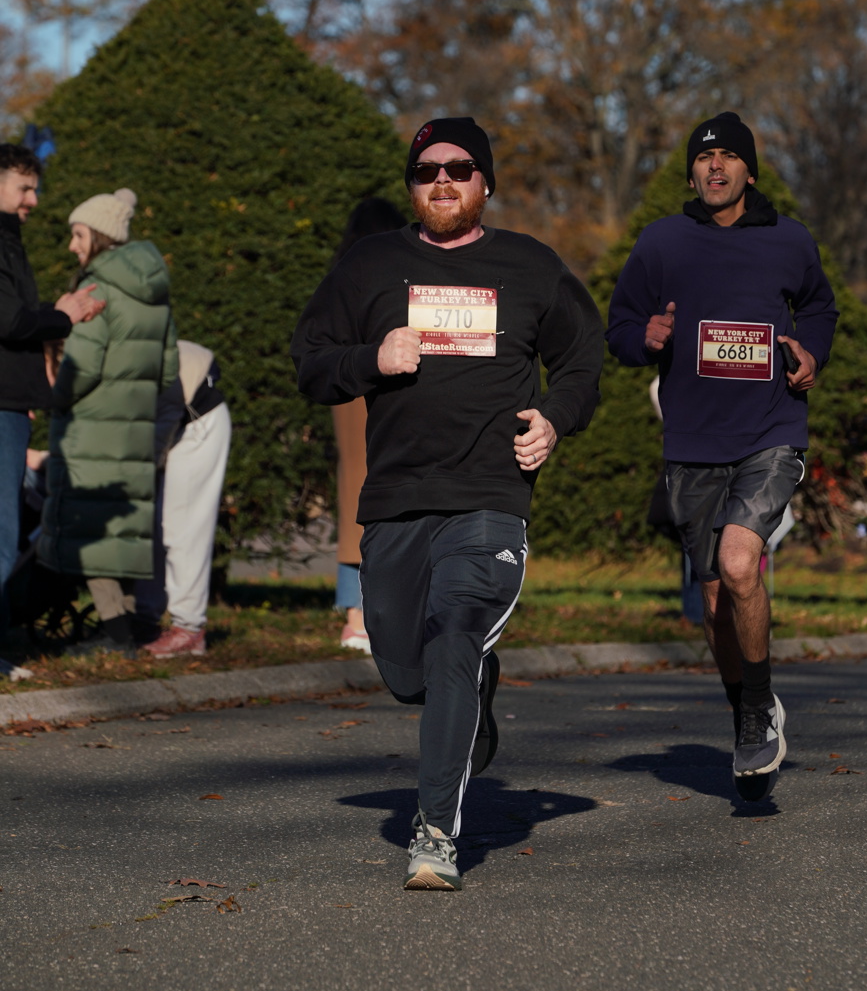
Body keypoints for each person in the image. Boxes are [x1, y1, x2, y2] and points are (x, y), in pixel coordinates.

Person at [292, 117, 604, 890]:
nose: (442, 179)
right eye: (427, 168)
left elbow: (582, 357)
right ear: (412, 184)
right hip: (398, 500)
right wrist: (372, 356)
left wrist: (554, 417)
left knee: (456, 627)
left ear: (484, 182)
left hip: (490, 498)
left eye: (460, 168)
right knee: (408, 672)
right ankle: (473, 693)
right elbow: (310, 359)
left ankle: (435, 832)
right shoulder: (372, 264)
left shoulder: (529, 266)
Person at [607, 112, 838, 792]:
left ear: (750, 172)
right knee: (713, 600)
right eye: (705, 157)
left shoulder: (789, 239)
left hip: (770, 431)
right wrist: (644, 337)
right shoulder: (662, 242)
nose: (716, 165)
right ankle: (748, 714)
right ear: (691, 174)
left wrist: (810, 353)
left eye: (730, 156)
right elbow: (620, 325)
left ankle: (759, 707)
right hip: (692, 441)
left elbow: (819, 308)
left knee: (740, 565)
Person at [38, 187, 177, 655]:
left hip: (91, 425)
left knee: (92, 524)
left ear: (99, 235)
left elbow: (81, 368)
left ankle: (116, 634)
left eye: (78, 235)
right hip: (135, 424)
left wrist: (52, 397)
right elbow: (169, 370)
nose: (72, 246)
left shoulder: (95, 288)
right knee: (123, 526)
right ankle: (131, 625)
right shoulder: (154, 290)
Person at [0, 143, 104, 628]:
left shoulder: (9, 238)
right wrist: (63, 316)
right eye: (25, 188)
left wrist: (55, 314)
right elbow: (9, 320)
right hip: (3, 406)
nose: (34, 200)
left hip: (11, 404)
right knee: (2, 538)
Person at [328, 198, 407, 654]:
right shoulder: (401, 273)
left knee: (353, 490)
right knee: (391, 488)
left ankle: (355, 617)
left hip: (346, 382)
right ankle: (378, 613)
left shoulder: (342, 275)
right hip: (389, 382)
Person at [136, 340, 232, 657]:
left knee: (183, 528)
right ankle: (146, 618)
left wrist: (142, 466)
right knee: (149, 526)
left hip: (196, 419)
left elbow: (163, 415)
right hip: (171, 416)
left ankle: (188, 629)